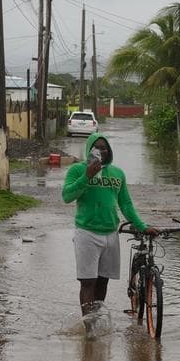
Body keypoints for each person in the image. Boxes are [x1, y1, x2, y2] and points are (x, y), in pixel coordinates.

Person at [61, 132, 158, 318]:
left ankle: (96, 319)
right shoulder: (76, 170)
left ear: (109, 151)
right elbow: (67, 196)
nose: (100, 151)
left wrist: (142, 225)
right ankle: (89, 330)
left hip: (110, 234)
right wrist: (87, 176)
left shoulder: (117, 173)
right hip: (87, 233)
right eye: (96, 147)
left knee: (103, 282)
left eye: (103, 147)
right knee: (88, 282)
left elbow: (126, 204)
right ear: (89, 149)